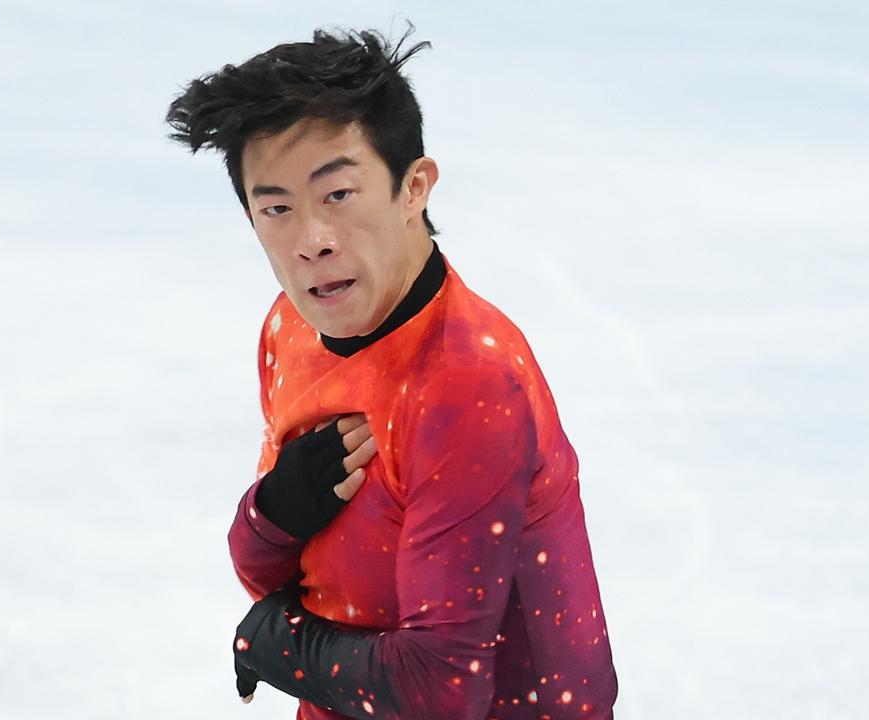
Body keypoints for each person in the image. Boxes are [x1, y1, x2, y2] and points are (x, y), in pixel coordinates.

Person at [166, 25, 618, 720]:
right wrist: (274, 514)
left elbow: (440, 692)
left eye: (338, 195)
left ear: (414, 187)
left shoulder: (468, 385)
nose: (311, 241)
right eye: (277, 209)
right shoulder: (291, 327)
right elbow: (272, 574)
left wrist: (275, 645)